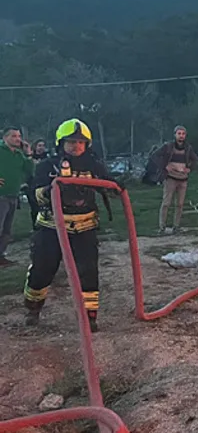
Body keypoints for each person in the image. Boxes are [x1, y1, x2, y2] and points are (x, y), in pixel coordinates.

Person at [24, 119, 119, 331]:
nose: (76, 146)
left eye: (80, 142)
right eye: (71, 142)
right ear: (61, 143)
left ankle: (89, 317)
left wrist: (116, 187)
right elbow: (35, 194)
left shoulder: (94, 165)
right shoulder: (47, 166)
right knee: (43, 269)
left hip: (84, 227)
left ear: (87, 145)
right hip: (52, 227)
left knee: (88, 272)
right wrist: (50, 191)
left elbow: (109, 184)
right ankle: (33, 308)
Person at [151, 125, 198, 235]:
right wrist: (164, 166)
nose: (181, 136)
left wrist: (190, 169)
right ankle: (162, 227)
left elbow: (195, 159)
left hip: (183, 179)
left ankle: (176, 227)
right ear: (175, 135)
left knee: (180, 204)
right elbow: (155, 155)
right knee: (166, 203)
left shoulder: (188, 148)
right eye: (179, 133)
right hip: (170, 178)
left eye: (183, 134)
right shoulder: (168, 146)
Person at [0, 127, 34, 266]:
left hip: (13, 195)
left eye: (19, 136)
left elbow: (30, 171)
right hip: (1, 195)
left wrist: (28, 153)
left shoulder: (19, 155)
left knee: (7, 229)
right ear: (5, 138)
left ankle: (1, 255)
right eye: (14, 136)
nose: (18, 139)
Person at [24, 139, 49, 231]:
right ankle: (35, 226)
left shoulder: (47, 158)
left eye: (43, 145)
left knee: (45, 207)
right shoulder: (30, 157)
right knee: (34, 207)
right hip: (32, 185)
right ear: (35, 146)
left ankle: (45, 226)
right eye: (39, 145)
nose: (41, 148)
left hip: (43, 185)